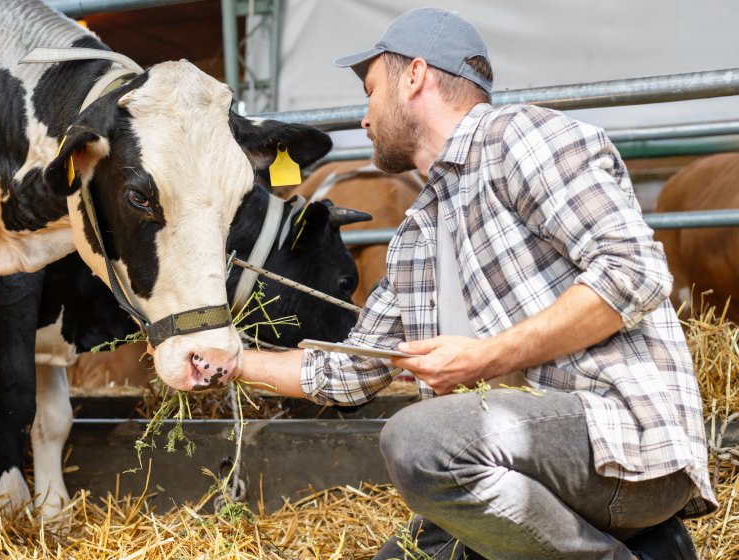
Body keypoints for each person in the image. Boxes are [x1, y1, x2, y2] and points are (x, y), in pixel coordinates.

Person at [235, 8, 716, 560]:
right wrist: (229, 361)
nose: (364, 119)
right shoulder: (417, 235)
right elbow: (346, 371)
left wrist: (484, 357)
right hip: (523, 465)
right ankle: (650, 547)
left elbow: (634, 272)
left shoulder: (520, 138)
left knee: (418, 439)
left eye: (371, 92)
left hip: (619, 440)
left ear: (415, 76)